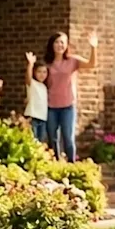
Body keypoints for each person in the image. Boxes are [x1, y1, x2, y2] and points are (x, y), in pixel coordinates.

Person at [43, 30, 99, 162]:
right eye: (57, 42)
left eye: (62, 42)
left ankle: (71, 164)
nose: (59, 45)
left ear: (67, 45)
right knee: (52, 137)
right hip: (51, 106)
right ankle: (55, 164)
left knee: (68, 137)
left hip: (68, 106)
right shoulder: (47, 63)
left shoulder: (72, 61)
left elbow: (91, 64)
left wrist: (93, 47)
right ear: (52, 45)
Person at [24, 52, 50, 144]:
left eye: (44, 72)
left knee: (41, 141)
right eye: (39, 72)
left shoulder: (45, 87)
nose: (42, 74)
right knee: (32, 140)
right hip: (33, 117)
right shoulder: (33, 84)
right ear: (35, 72)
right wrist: (30, 64)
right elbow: (28, 77)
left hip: (43, 118)